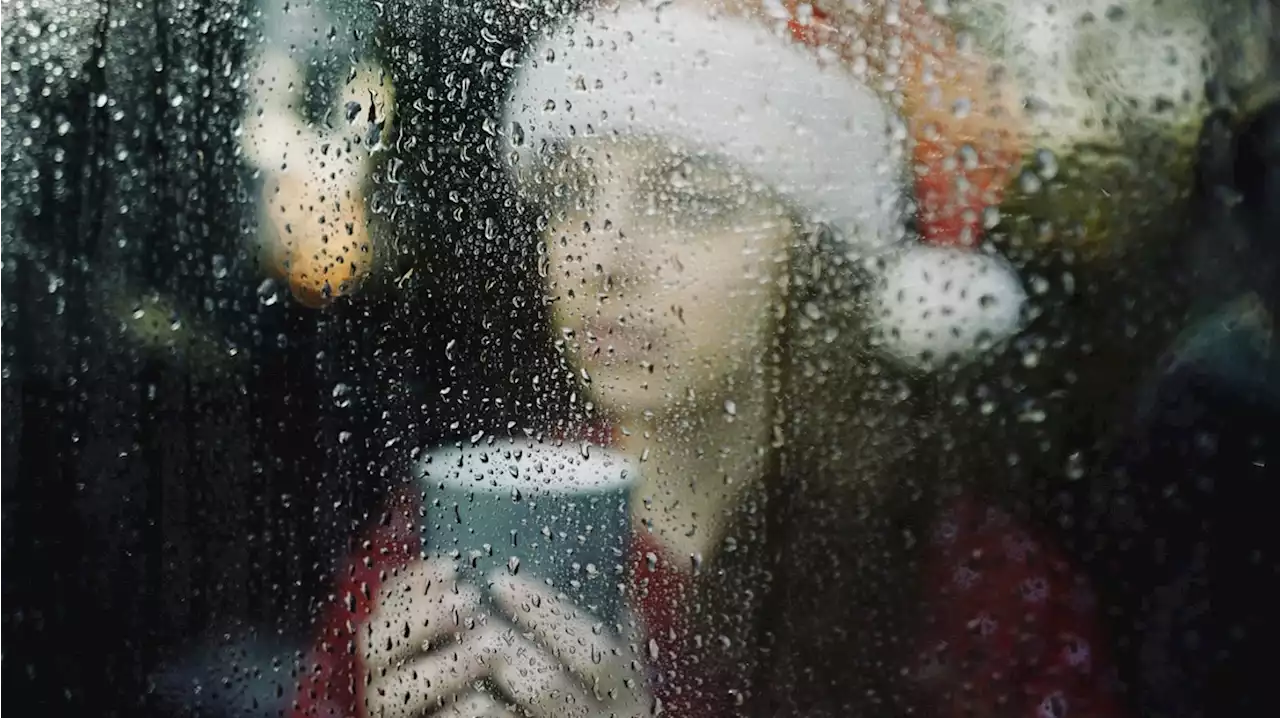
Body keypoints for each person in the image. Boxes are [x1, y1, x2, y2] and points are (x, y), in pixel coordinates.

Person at [284, 1, 1246, 717]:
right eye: (573, 197)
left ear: (813, 268)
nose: (601, 256)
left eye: (691, 200)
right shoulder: (455, 536)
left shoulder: (980, 591)